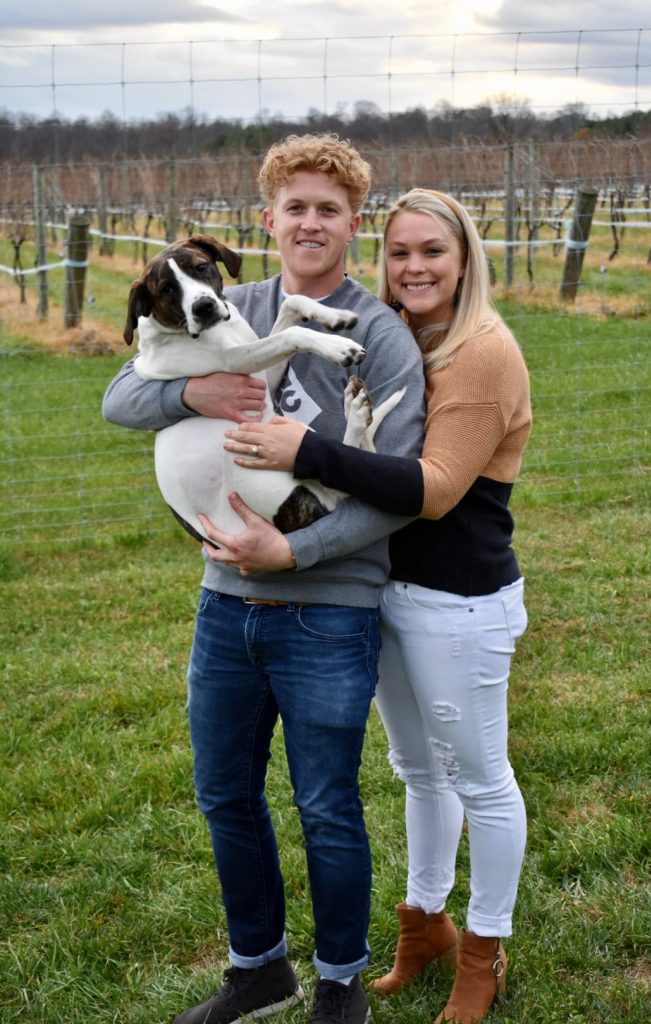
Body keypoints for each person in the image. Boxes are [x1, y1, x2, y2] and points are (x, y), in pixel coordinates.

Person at [101, 135, 426, 1024]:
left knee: (325, 804)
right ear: (269, 220)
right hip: (225, 608)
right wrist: (190, 397)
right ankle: (256, 969)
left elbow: (401, 492)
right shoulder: (218, 305)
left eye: (328, 208)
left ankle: (340, 982)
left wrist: (295, 553)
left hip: (328, 610)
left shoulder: (378, 334)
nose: (310, 223)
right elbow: (117, 397)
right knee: (225, 796)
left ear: (352, 223)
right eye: (295, 207)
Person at [219, 188, 532, 1024]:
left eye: (432, 251)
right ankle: (424, 924)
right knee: (417, 774)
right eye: (400, 253)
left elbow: (430, 492)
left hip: (459, 602)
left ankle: (482, 953)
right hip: (389, 592)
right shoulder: (402, 342)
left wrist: (306, 447)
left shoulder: (481, 353)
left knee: (481, 780)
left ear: (465, 258)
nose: (414, 267)